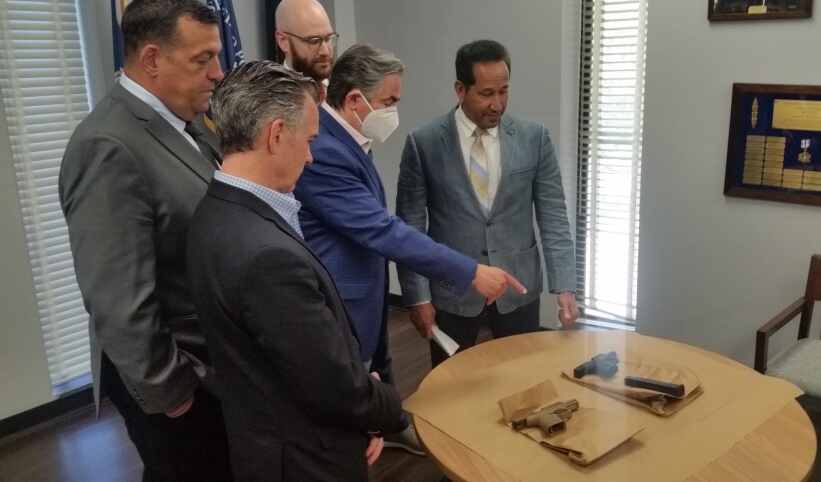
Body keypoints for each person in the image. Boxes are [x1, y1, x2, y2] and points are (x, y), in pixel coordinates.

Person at [295, 44, 524, 455]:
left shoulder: (351, 139)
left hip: (365, 296)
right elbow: (387, 229)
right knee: (344, 433)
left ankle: (386, 426)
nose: (394, 112)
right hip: (339, 305)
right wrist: (469, 270)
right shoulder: (325, 151)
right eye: (389, 102)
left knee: (376, 386)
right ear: (354, 100)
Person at [186, 60, 403, 481]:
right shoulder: (268, 257)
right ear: (277, 135)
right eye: (307, 141)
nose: (309, 157)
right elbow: (333, 390)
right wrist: (385, 404)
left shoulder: (210, 214)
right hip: (307, 460)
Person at [58, 0, 231, 480]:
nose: (218, 72)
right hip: (176, 380)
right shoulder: (107, 146)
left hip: (214, 365)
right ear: (152, 59)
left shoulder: (187, 124)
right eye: (203, 59)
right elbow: (117, 300)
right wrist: (171, 395)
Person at [396, 39, 578, 368]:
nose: (497, 104)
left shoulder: (533, 137)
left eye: (504, 91)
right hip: (452, 287)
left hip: (518, 285)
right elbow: (410, 226)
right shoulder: (423, 144)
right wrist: (417, 297)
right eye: (486, 94)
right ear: (460, 89)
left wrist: (565, 285)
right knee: (452, 390)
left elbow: (553, 215)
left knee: (523, 383)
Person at [275, 0, 337, 100]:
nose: (325, 51)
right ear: (283, 41)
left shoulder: (348, 92)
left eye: (328, 39)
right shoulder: (271, 103)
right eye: (314, 41)